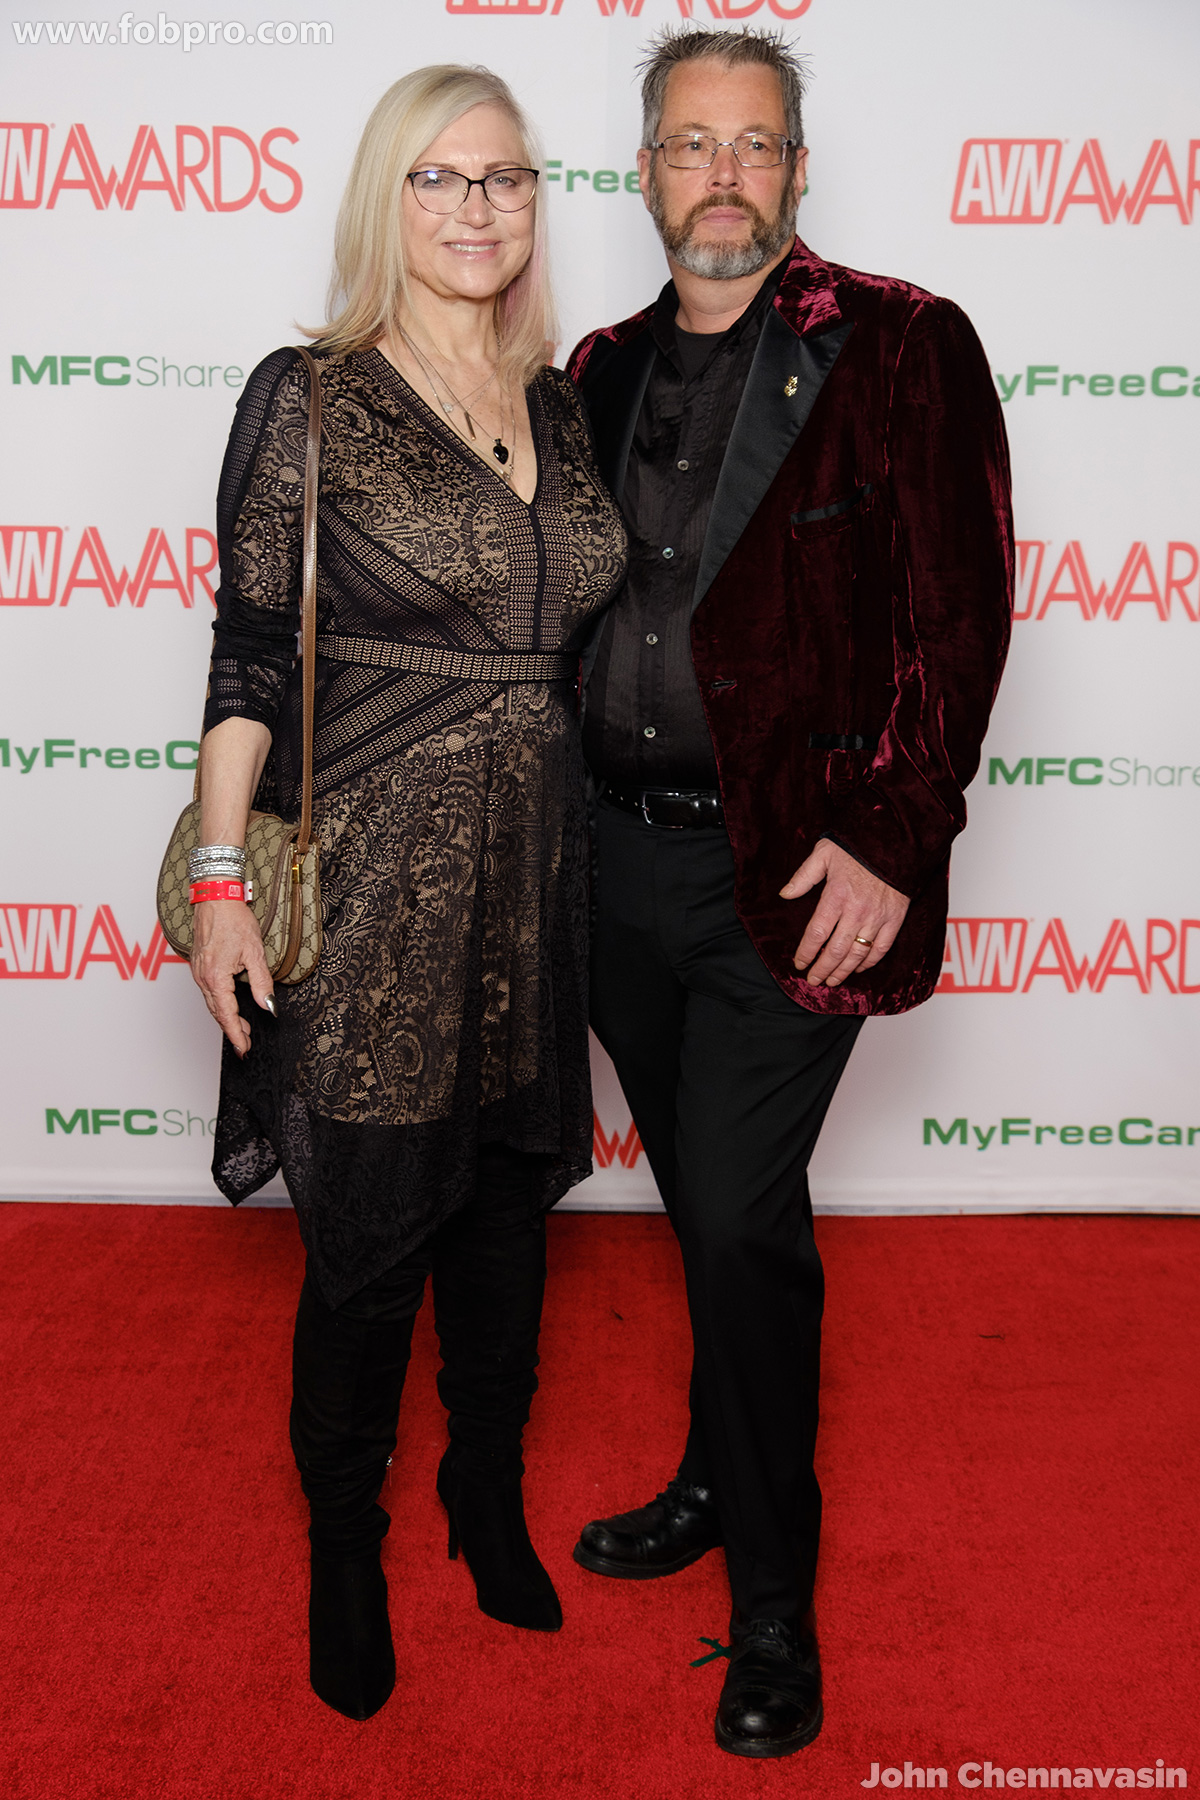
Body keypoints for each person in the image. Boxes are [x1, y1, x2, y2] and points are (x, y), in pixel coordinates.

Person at [566, 27, 1013, 1760]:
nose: (724, 176)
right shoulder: (598, 369)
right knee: (703, 1207)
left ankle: (770, 1600)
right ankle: (710, 1469)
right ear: (647, 173)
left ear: (799, 170)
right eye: (691, 145)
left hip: (797, 876)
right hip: (612, 864)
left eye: (755, 145)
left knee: (743, 1219)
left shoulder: (900, 344)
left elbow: (960, 617)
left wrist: (897, 836)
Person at [188, 65, 626, 1722]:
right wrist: (221, 879)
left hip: (535, 877)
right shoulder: (310, 397)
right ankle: (345, 1543)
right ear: (389, 200)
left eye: (504, 178)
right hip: (375, 888)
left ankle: (482, 1491)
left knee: (508, 1212)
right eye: (438, 180)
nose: (475, 209)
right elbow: (249, 653)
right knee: (372, 1241)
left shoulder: (563, 406)